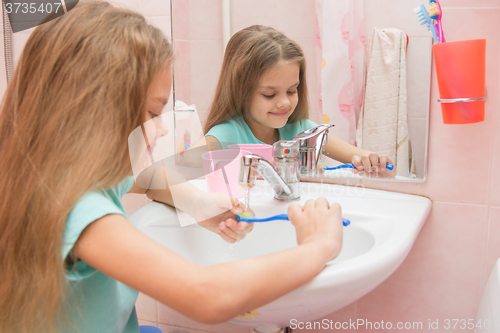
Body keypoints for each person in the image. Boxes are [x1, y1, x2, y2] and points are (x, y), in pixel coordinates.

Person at [0, 2, 343, 333]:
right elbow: (208, 296)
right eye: (152, 114)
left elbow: (147, 179)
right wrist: (320, 244)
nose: (162, 128)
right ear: (93, 111)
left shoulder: (63, 174)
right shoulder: (79, 210)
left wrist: (198, 205)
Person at [186, 25, 395, 177]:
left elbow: (362, 157)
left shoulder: (303, 132)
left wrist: (373, 162)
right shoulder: (227, 135)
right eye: (269, 94)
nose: (284, 102)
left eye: (292, 91)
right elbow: (163, 177)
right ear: (240, 91)